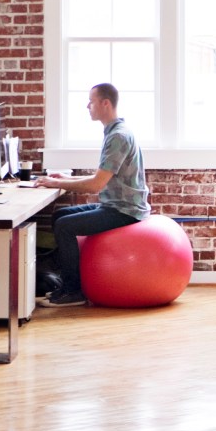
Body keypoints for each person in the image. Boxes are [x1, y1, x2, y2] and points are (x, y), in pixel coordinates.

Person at [36, 83, 149, 307]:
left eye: (91, 101)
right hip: (114, 204)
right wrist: (63, 179)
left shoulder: (118, 137)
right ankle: (64, 282)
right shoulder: (114, 132)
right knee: (60, 216)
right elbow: (101, 177)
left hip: (125, 210)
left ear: (105, 103)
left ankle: (74, 291)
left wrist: (56, 183)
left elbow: (96, 184)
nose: (88, 106)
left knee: (65, 226)